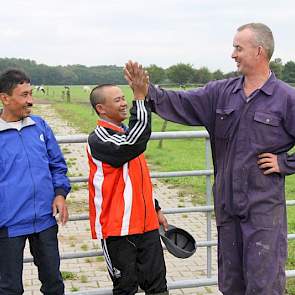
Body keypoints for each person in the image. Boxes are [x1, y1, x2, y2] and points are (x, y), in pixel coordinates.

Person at [124, 23, 295, 295]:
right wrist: (148, 92)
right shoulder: (221, 92)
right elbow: (181, 102)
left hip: (263, 210)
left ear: (259, 51)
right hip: (227, 208)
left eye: (238, 48)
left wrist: (284, 164)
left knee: (265, 284)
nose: (233, 54)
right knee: (231, 284)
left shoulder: (286, 98)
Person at [86, 71, 169, 295]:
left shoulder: (126, 133)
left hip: (147, 225)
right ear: (101, 109)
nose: (124, 103)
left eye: (125, 98)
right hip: (118, 229)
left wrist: (155, 208)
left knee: (158, 287)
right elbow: (134, 143)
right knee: (126, 289)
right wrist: (140, 98)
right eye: (118, 100)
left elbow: (135, 180)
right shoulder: (100, 138)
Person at [0, 69, 71, 295]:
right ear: (5, 98)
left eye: (31, 94)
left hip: (45, 220)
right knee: (9, 288)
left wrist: (60, 193)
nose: (30, 101)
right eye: (24, 95)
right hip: (8, 224)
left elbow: (57, 164)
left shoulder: (40, 126)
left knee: (53, 282)